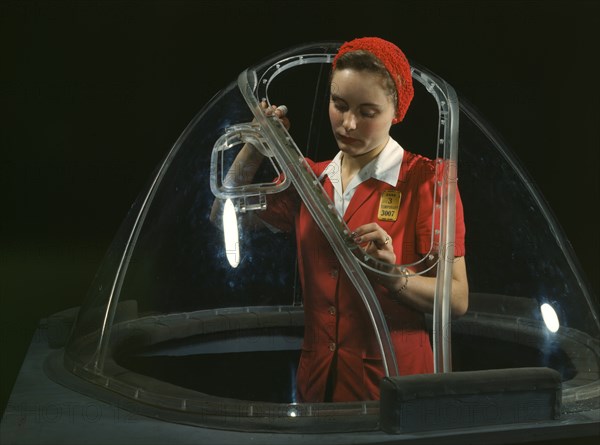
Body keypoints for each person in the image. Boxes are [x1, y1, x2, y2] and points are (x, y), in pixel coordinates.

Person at [212, 37, 468, 402]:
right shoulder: (309, 180)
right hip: (317, 387)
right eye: (339, 104)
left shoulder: (427, 181)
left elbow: (457, 299)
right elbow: (222, 213)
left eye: (367, 112)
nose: (348, 124)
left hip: (395, 387)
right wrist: (256, 142)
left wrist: (395, 277)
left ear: (396, 111)